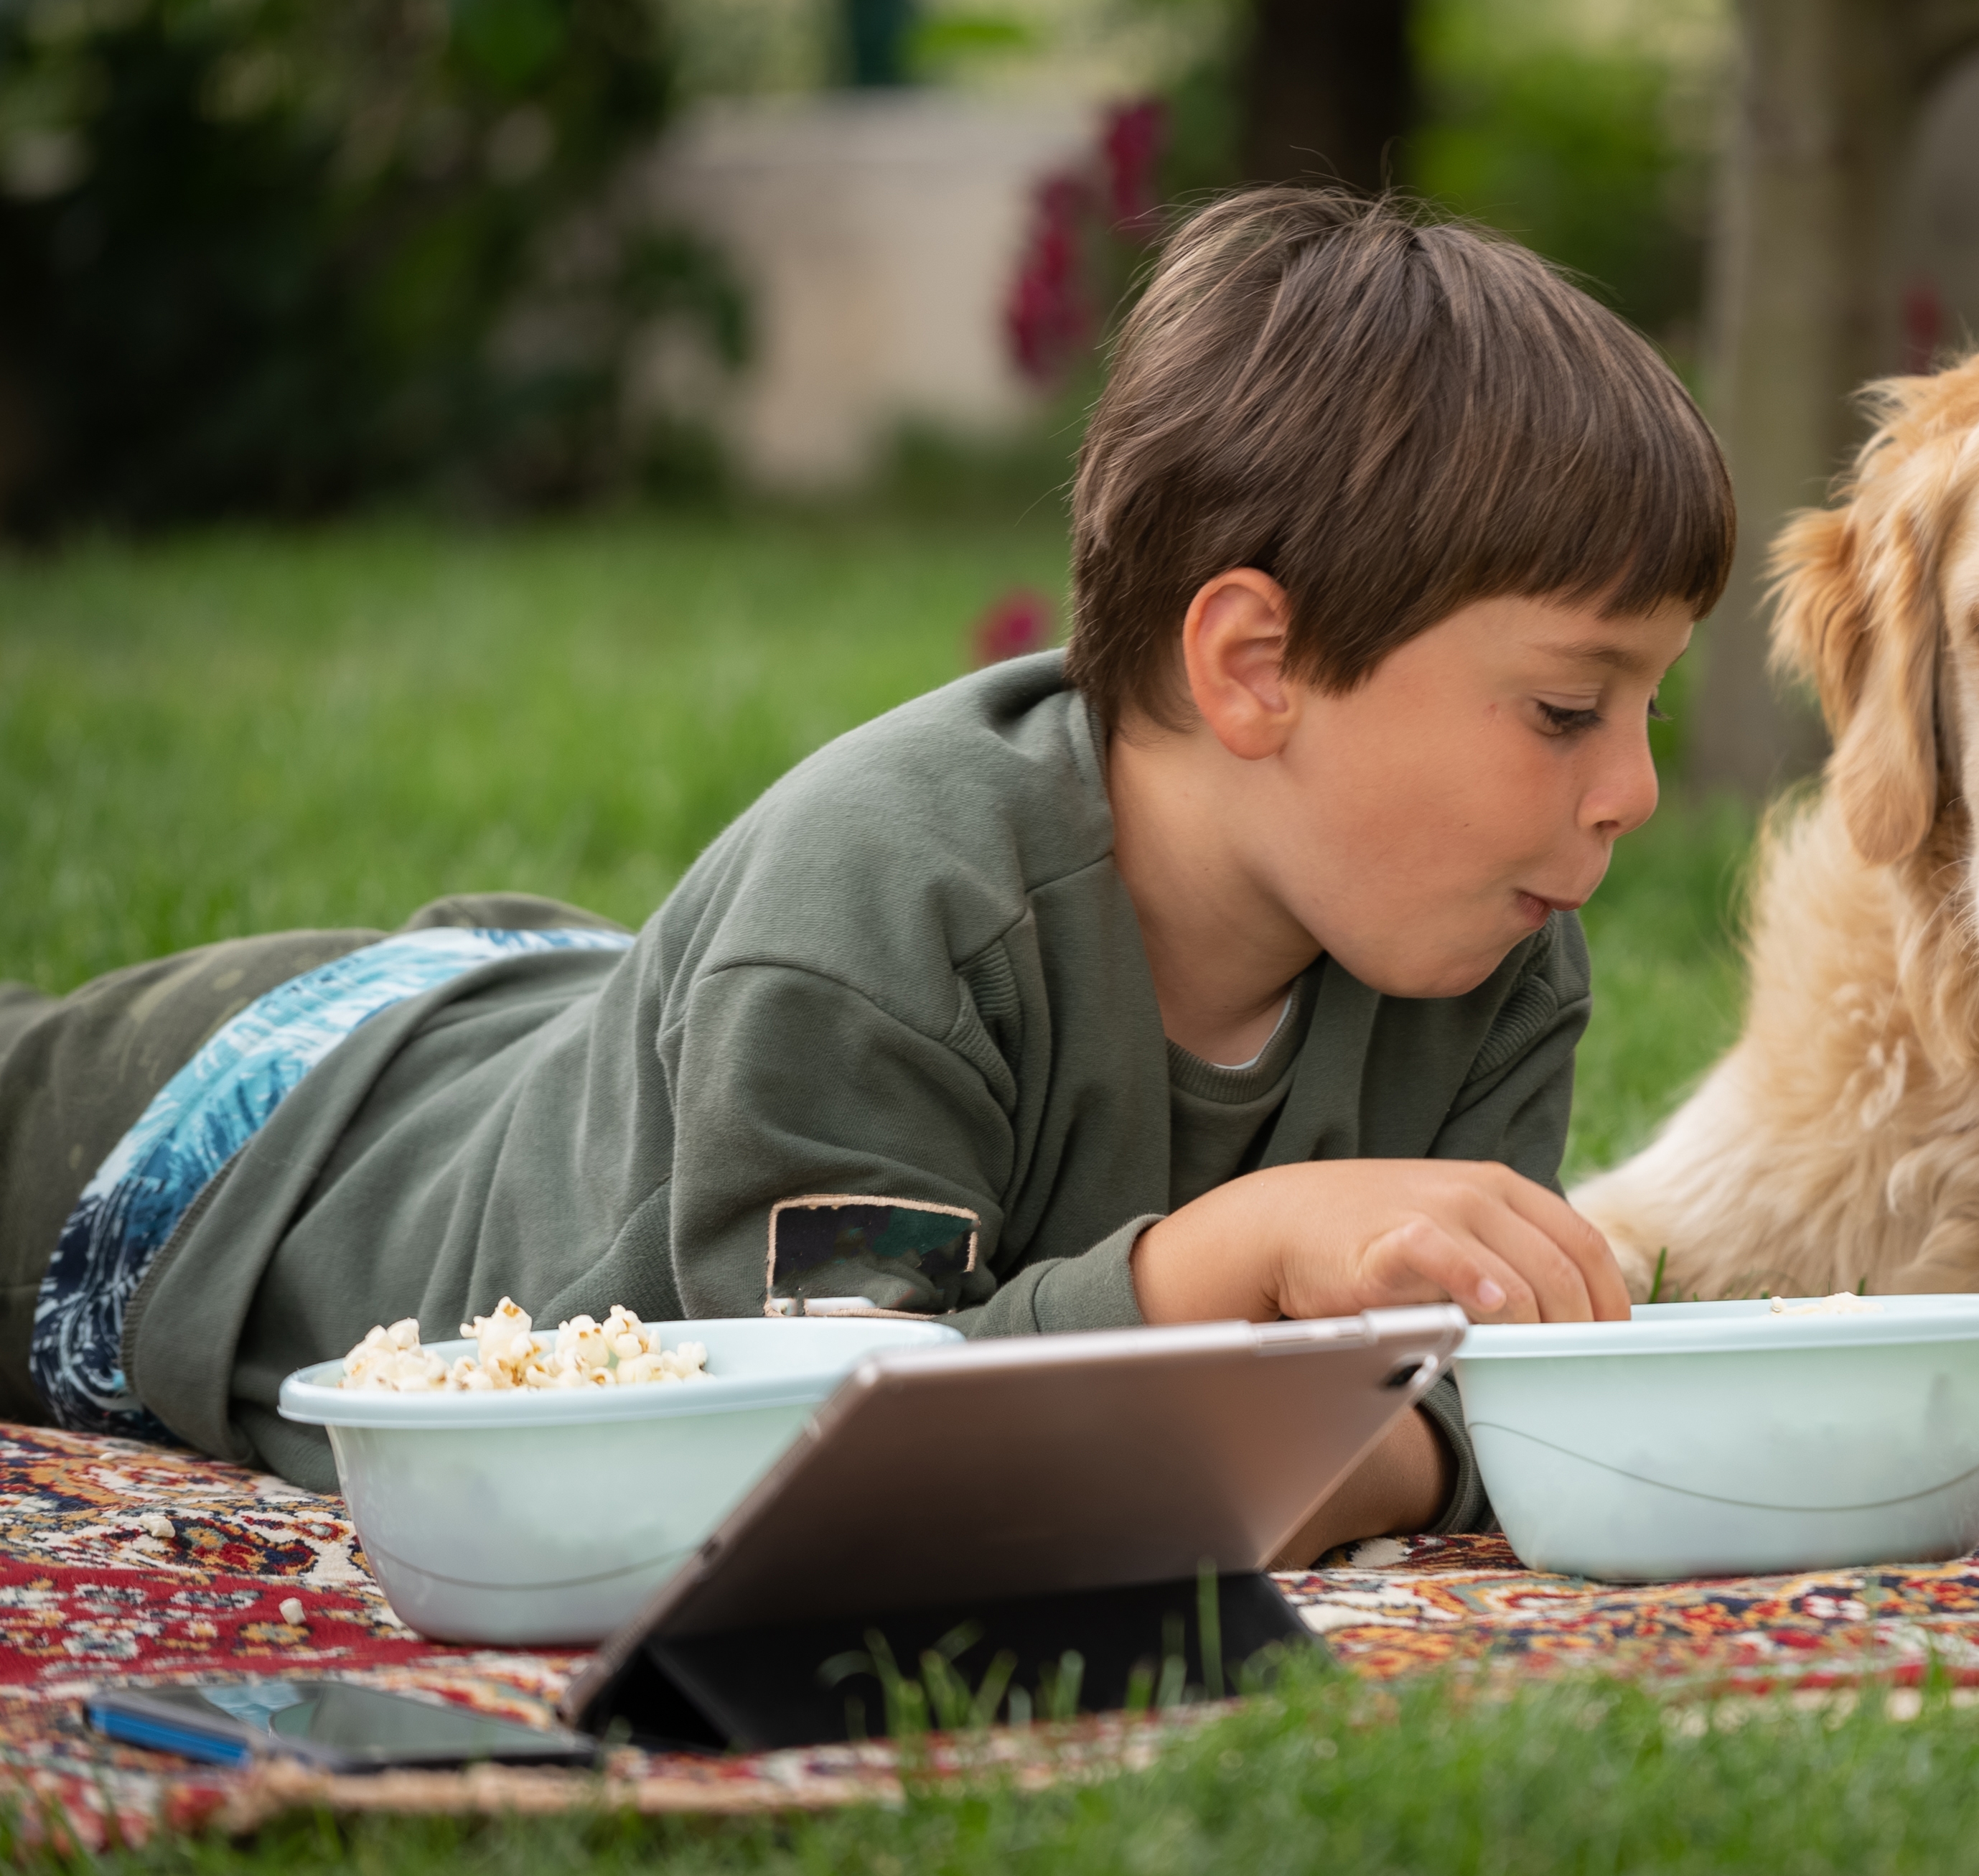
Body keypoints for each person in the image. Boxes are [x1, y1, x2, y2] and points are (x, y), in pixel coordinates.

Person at [0, 188, 1735, 1560]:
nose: (1635, 793)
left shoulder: (1495, 948)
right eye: (1566, 708)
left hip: (604, 1030)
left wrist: (1374, 1435)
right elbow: (823, 1458)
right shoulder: (887, 909)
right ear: (1256, 667)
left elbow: (1476, 1417)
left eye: (1646, 710)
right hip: (241, 1151)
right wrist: (1229, 1275)